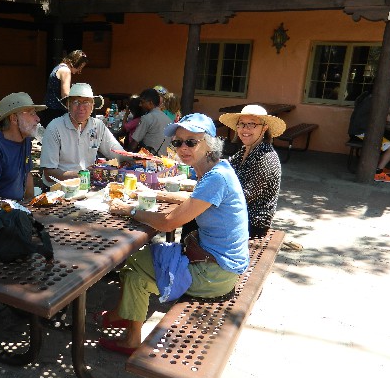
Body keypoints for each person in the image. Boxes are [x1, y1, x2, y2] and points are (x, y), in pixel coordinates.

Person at [99, 113, 249, 354]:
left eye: (191, 142)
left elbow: (169, 223)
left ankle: (129, 334)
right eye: (178, 142)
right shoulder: (216, 170)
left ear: (209, 143)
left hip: (214, 274)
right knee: (137, 262)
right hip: (220, 266)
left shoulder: (215, 178)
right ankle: (126, 318)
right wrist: (154, 194)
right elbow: (193, 200)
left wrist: (131, 210)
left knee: (135, 263)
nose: (183, 148)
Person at [40, 82, 128, 187]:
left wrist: (138, 159)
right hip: (59, 189)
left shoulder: (98, 126)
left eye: (86, 102)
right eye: (76, 102)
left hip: (87, 186)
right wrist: (83, 175)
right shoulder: (55, 127)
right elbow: (49, 173)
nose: (81, 107)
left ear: (92, 106)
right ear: (68, 105)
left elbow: (117, 153)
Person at [218, 104, 286, 238]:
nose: (245, 129)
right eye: (241, 124)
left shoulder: (266, 157)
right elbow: (224, 170)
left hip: (252, 224)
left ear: (264, 128)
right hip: (236, 216)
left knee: (194, 220)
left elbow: (243, 196)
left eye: (252, 124)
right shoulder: (245, 150)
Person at [348, 78, 390, 182]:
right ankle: (377, 173)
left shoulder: (372, 95)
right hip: (360, 132)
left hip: (357, 131)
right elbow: (388, 118)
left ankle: (379, 166)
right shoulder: (380, 98)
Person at [40, 50, 88, 128]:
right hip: (56, 111)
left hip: (48, 109)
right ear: (76, 63)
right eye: (80, 67)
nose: (79, 71)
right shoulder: (66, 71)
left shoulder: (59, 67)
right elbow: (65, 95)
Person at [129, 88, 171, 156]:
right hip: (164, 159)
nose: (140, 105)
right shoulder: (168, 119)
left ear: (150, 103)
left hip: (148, 159)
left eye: (142, 102)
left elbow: (134, 144)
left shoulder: (147, 118)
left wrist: (125, 157)